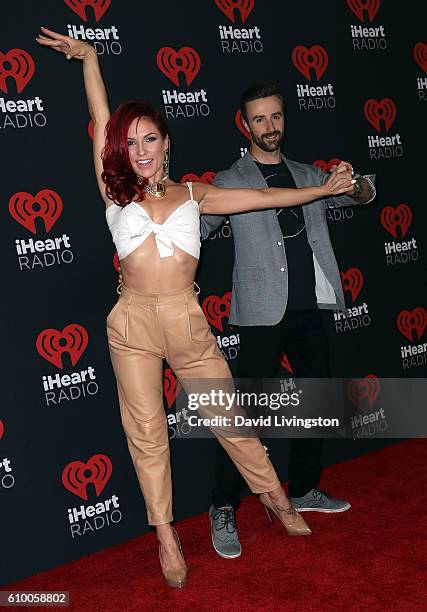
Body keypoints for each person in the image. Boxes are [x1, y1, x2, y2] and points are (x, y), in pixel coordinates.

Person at [36, 31, 357, 587]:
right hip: (132, 322)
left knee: (229, 417)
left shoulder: (193, 194)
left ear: (166, 143)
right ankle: (166, 534)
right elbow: (99, 114)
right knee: (146, 432)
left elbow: (263, 197)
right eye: (131, 141)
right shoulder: (115, 192)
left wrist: (323, 191)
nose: (140, 149)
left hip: (186, 319)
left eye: (150, 139)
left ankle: (276, 499)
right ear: (121, 148)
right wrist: (90, 59)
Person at [201, 82, 376, 559]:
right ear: (245, 124)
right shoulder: (231, 180)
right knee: (244, 414)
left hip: (308, 308)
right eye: (259, 119)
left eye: (275, 117)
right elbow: (198, 228)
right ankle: (223, 505)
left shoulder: (307, 174)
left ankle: (302, 489)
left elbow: (360, 196)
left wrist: (353, 180)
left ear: (284, 119)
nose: (269, 127)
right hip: (259, 312)